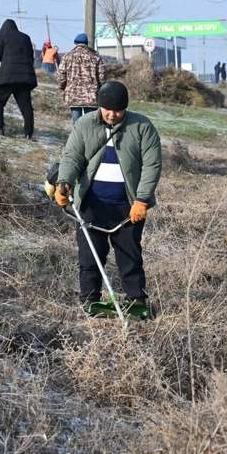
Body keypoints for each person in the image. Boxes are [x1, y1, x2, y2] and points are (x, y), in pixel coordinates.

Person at [53, 81, 162, 315]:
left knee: (130, 256)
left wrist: (142, 199)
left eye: (118, 110)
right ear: (99, 106)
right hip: (91, 204)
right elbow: (72, 157)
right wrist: (65, 183)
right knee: (90, 256)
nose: (112, 115)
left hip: (128, 206)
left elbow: (152, 165)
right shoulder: (85, 124)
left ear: (126, 108)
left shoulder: (142, 127)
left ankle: (137, 302)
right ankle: (90, 301)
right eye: (107, 109)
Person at [0, 19, 38, 138]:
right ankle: (28, 133)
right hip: (24, 79)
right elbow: (31, 58)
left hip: (8, 78)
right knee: (26, 107)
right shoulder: (26, 38)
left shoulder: (2, 37)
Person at [56, 33, 106, 126]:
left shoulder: (67, 56)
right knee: (90, 123)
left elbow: (61, 75)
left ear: (75, 43)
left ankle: (78, 139)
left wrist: (63, 87)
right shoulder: (96, 57)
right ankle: (89, 139)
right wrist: (100, 89)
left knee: (76, 124)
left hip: (73, 95)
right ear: (87, 43)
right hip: (91, 95)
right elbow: (102, 76)